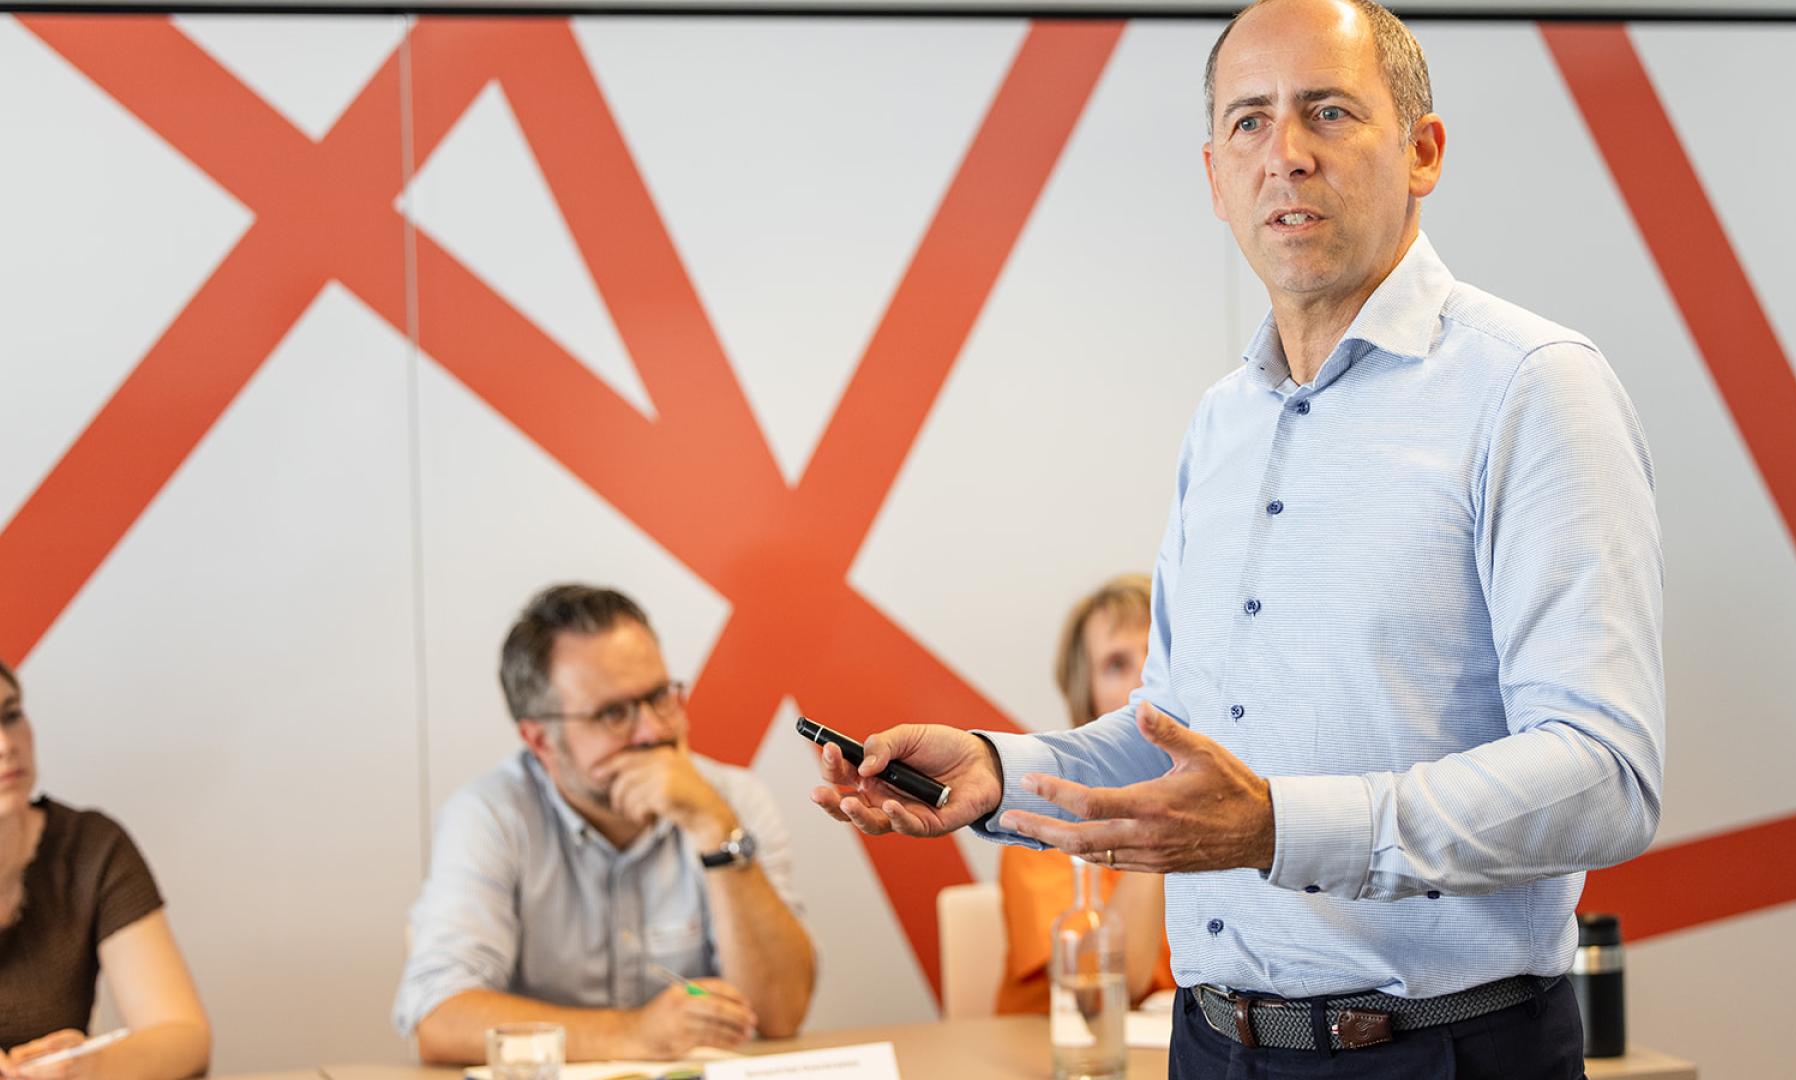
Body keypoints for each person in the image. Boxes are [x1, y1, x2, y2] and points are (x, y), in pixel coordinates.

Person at [810, 1, 1664, 1075]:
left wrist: (1277, 827)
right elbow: (1178, 734)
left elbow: (1605, 776)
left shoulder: (1533, 390)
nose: (1286, 154)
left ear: (1423, 151)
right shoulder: (1222, 423)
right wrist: (996, 771)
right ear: (1216, 177)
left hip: (1436, 1050)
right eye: (1250, 121)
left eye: (1329, 112)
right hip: (1210, 1045)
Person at [394, 585, 814, 1064]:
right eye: (613, 714)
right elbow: (440, 1017)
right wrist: (635, 1034)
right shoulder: (490, 816)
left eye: (660, 697)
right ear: (540, 740)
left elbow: (781, 1015)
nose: (654, 731)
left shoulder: (732, 801)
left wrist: (715, 832)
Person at [0, 660, 212, 1080]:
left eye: (11, 716)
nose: (6, 744)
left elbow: (185, 1036)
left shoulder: (89, 848)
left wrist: (90, 1067)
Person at [995, 574, 1176, 1014]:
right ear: (1087, 702)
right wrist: (1158, 799)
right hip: (1060, 1046)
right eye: (1117, 664)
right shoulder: (1042, 820)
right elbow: (1101, 989)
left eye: (1160, 654)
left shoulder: (1227, 809)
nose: (1148, 679)